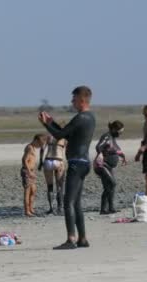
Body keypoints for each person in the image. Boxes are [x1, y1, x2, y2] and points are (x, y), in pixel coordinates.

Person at [39, 86, 96, 250]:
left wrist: (45, 124)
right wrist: (51, 123)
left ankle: (71, 238)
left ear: (82, 100)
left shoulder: (81, 117)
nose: (72, 102)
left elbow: (59, 136)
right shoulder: (89, 117)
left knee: (68, 201)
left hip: (77, 163)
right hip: (84, 163)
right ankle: (82, 238)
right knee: (76, 202)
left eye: (74, 99)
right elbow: (66, 133)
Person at [94, 121, 127, 214]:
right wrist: (100, 153)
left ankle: (110, 208)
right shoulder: (106, 136)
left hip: (109, 166)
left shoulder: (112, 138)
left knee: (108, 186)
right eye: (119, 132)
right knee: (112, 184)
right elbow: (98, 146)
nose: (120, 134)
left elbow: (116, 150)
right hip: (102, 165)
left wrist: (123, 157)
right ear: (113, 129)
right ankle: (103, 209)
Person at [39, 135, 67, 215]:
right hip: (58, 160)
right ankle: (60, 208)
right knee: (60, 186)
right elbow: (68, 151)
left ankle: (51, 208)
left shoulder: (48, 137)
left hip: (48, 160)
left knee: (50, 186)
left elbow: (42, 149)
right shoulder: (64, 138)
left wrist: (41, 162)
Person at [21, 134, 47, 217]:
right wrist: (29, 172)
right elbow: (24, 160)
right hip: (27, 171)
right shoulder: (29, 147)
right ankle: (27, 211)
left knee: (33, 190)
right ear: (36, 140)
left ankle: (31, 208)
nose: (39, 146)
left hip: (31, 171)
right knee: (27, 192)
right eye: (39, 144)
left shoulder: (33, 148)